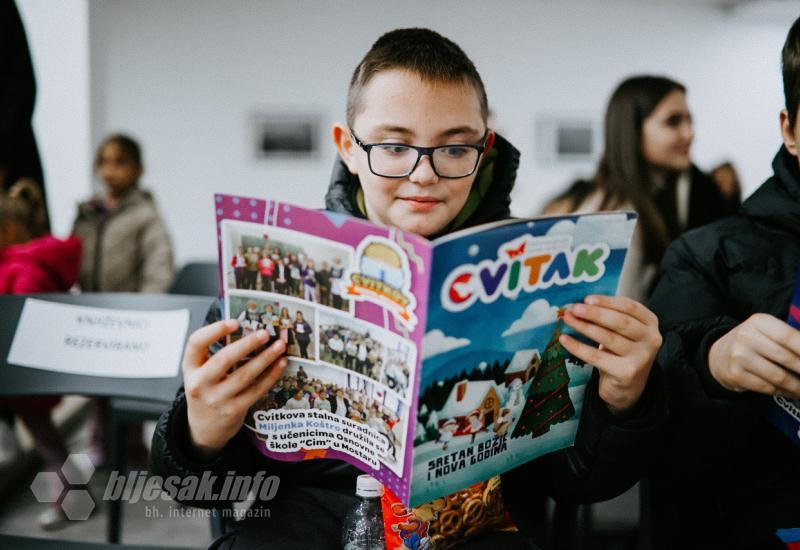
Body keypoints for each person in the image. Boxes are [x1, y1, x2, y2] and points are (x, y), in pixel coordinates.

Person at [151, 28, 665, 549]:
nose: (423, 174)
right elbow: (199, 491)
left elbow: (582, 483)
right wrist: (200, 433)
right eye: (394, 146)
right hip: (303, 527)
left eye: (453, 147)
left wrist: (626, 404)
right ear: (348, 148)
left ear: (483, 151)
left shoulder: (548, 274)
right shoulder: (271, 274)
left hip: (481, 530)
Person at [644, 17, 800, 549]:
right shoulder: (707, 254)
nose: (688, 134)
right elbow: (657, 449)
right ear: (791, 128)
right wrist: (715, 364)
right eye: (672, 121)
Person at [543, 75, 735, 301]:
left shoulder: (677, 193)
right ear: (632, 130)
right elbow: (616, 307)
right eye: (673, 121)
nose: (689, 133)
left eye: (689, 120)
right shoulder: (613, 213)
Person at [72, 133, 174, 466]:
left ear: (138, 169)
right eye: (103, 162)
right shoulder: (87, 213)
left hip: (130, 318)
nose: (110, 171)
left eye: (119, 162)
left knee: (124, 391)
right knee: (98, 390)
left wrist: (144, 310)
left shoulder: (144, 215)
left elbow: (159, 266)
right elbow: (72, 257)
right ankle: (100, 448)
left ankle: (131, 455)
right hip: (93, 316)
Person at [0, 180, 81, 528]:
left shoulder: (25, 269)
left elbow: (24, 323)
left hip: (25, 375)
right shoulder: (22, 263)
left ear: (8, 230)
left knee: (47, 443)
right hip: (23, 374)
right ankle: (74, 497)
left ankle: (72, 502)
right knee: (46, 440)